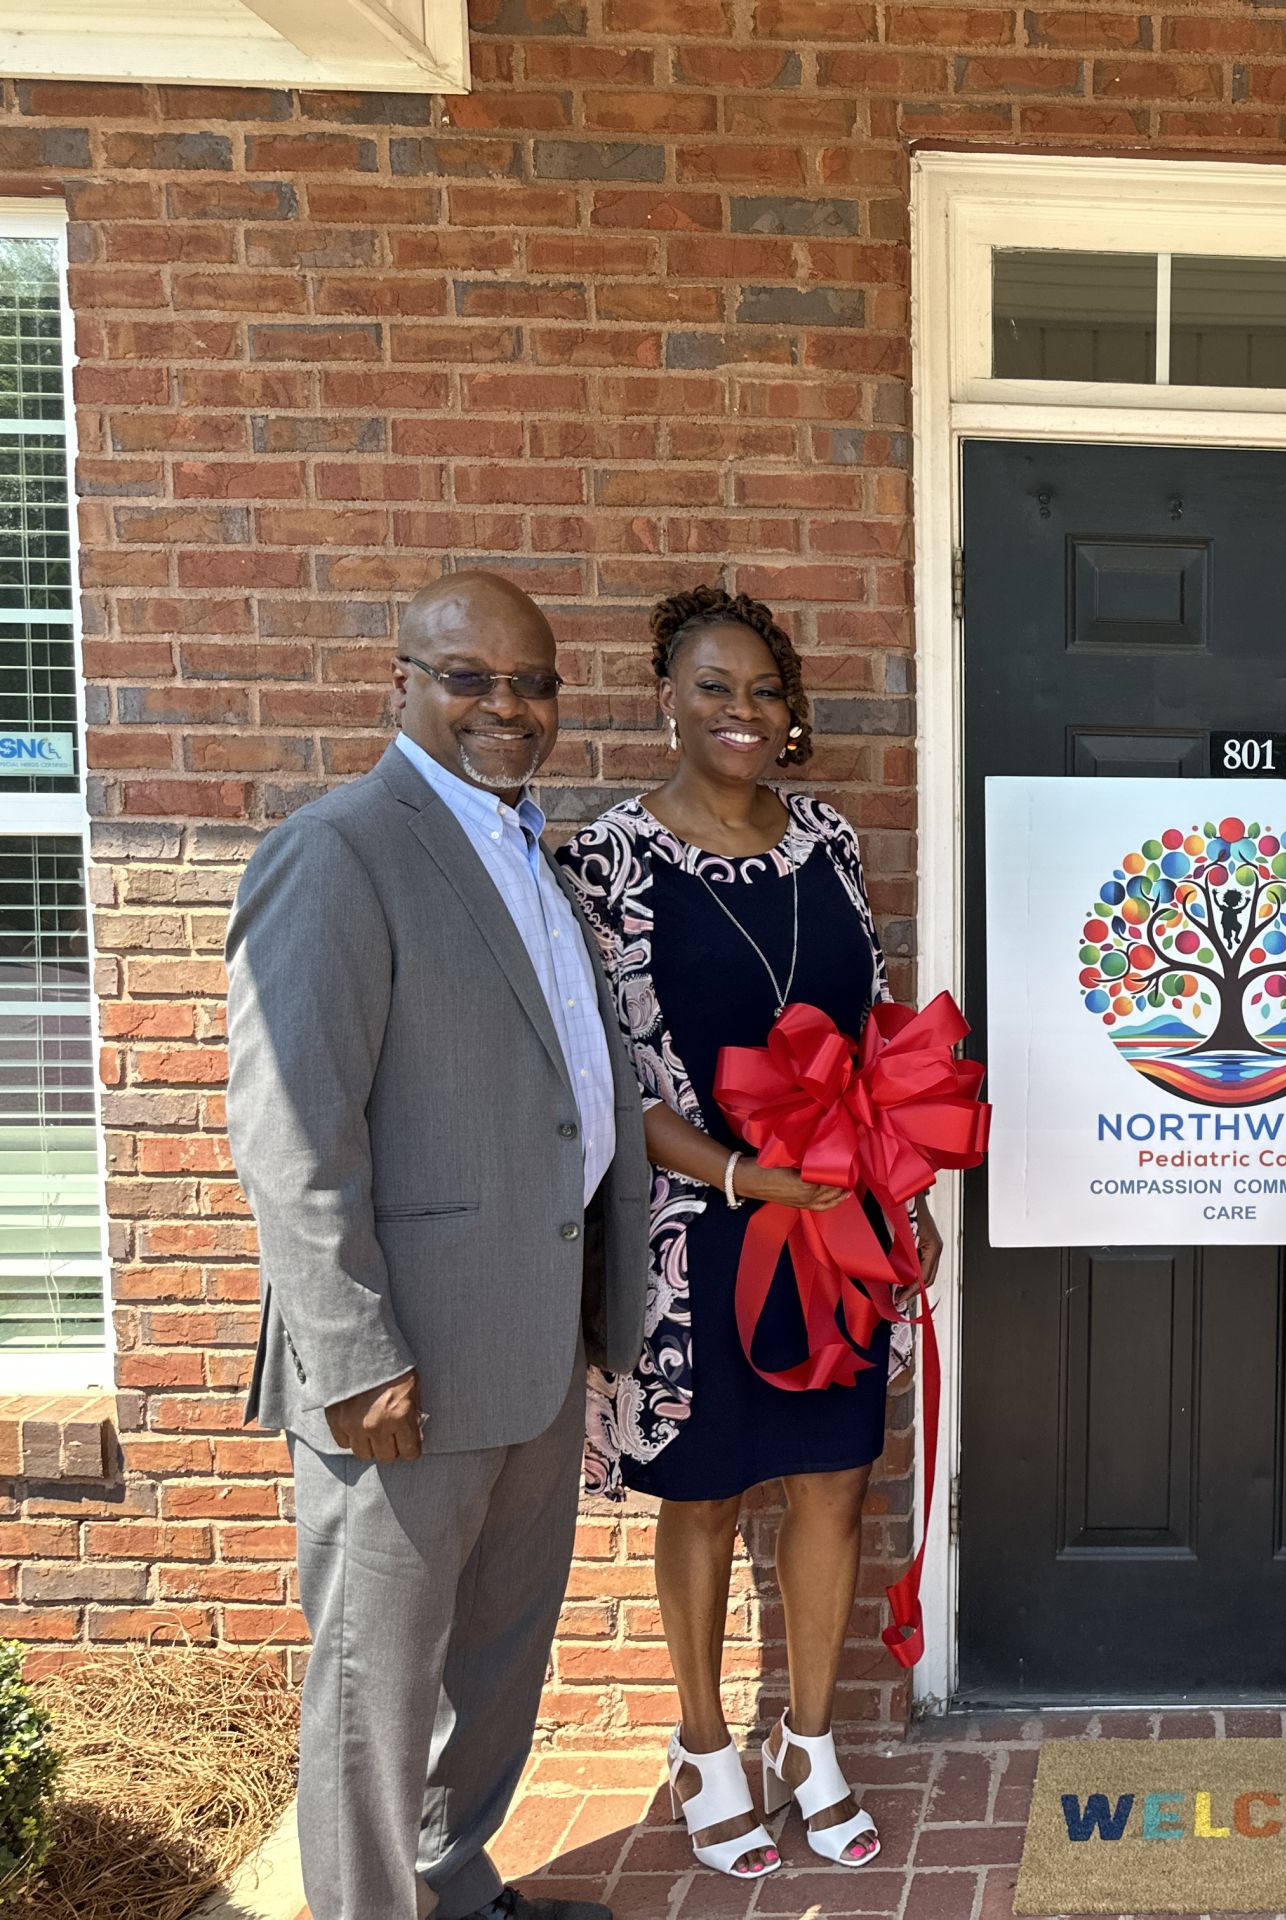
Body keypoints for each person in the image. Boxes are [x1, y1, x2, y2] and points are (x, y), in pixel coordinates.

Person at [227, 571, 649, 1920]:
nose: (506, 707)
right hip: (401, 1365)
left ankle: (453, 1885)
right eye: (469, 677)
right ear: (397, 682)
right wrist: (352, 1353)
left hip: (528, 1340)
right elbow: (292, 1124)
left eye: (532, 682)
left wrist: (598, 1315)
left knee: (496, 1657)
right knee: (375, 1683)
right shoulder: (342, 850)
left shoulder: (529, 852)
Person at [556, 584, 940, 1880]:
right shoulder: (605, 858)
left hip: (834, 1224)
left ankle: (810, 1743)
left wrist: (904, 1195)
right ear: (665, 696)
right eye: (713, 687)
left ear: (791, 716)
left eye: (763, 692)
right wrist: (743, 1182)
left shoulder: (828, 840)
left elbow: (878, 1036)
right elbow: (607, 1078)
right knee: (708, 1497)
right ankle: (707, 1744)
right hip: (692, 1234)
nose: (740, 711)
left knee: (834, 1482)